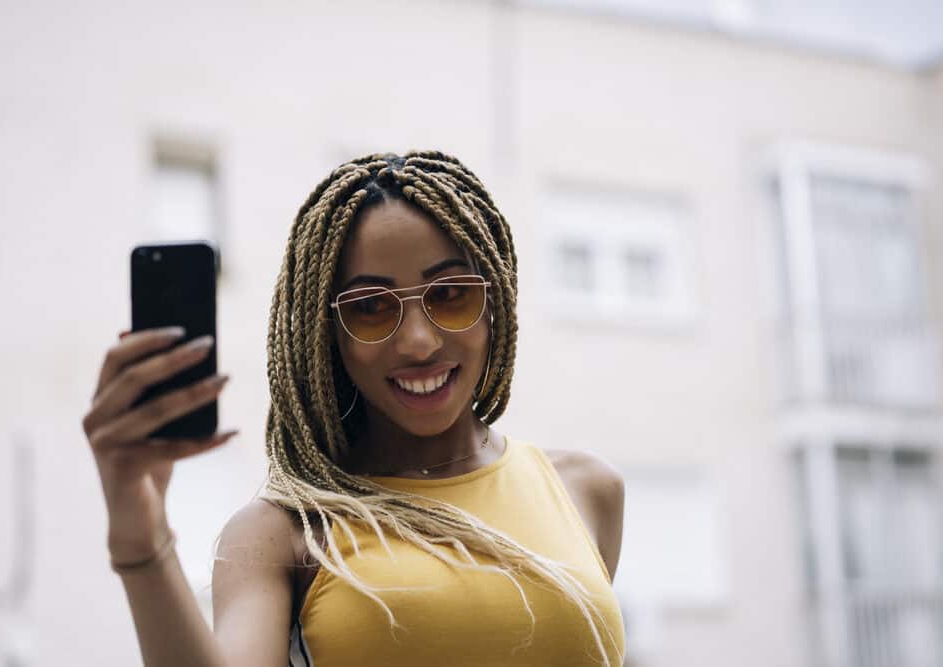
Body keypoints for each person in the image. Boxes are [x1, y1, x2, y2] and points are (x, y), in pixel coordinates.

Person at [83, 151, 626, 666]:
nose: (418, 341)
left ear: (496, 305)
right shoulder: (282, 533)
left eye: (450, 293)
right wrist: (140, 534)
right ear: (330, 337)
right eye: (369, 307)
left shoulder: (587, 490)